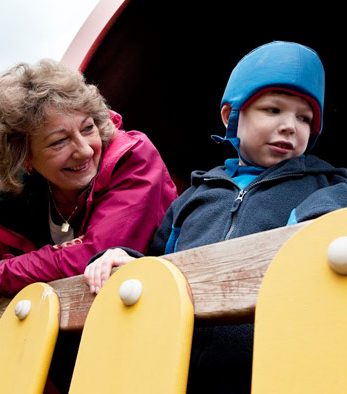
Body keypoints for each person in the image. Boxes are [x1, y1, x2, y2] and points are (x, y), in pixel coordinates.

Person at [84, 41, 347, 394]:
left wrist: (310, 219)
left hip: (271, 369)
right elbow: (161, 263)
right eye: (273, 110)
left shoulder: (325, 183)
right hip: (176, 369)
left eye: (304, 118)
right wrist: (126, 261)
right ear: (231, 116)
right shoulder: (195, 196)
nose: (290, 126)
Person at [0, 59, 178, 297]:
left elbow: (97, 253)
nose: (85, 150)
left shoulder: (133, 158)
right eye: (59, 141)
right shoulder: (17, 192)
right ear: (25, 158)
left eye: (88, 128)